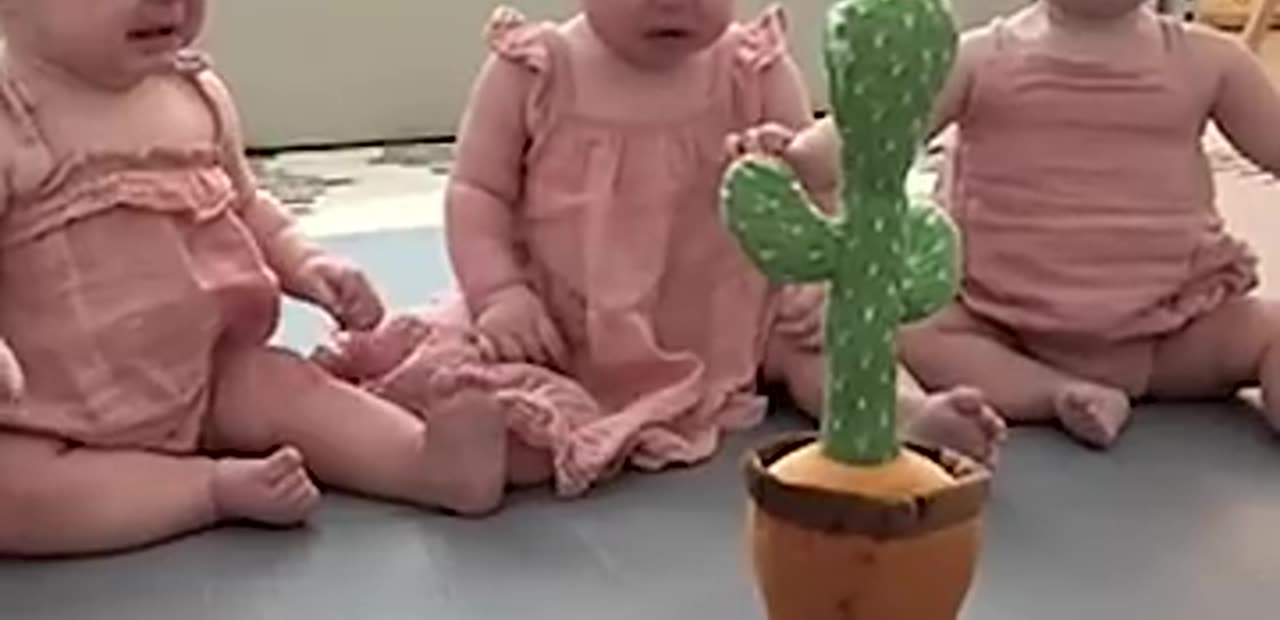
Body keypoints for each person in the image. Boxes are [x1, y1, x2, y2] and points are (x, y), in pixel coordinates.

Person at [315, 0, 1006, 506]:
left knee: (831, 343)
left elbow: (812, 187)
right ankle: (470, 456)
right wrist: (500, 294)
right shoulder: (537, 69)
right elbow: (478, 192)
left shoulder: (751, 68)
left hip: (732, 314)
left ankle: (907, 415)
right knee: (519, 389)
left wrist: (806, 278)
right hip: (572, 323)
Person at [0, 0, 507, 558]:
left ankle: (424, 464)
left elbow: (246, 204)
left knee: (290, 388)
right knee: (16, 497)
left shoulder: (191, 95)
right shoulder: (13, 119)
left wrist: (305, 262)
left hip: (208, 375)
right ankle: (205, 491)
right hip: (52, 413)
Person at [739, 0, 1280, 448]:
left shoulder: (1213, 62)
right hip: (1004, 327)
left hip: (1172, 328)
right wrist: (802, 156)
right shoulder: (980, 58)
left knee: (1270, 332)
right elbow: (879, 127)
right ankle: (1056, 392)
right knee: (898, 323)